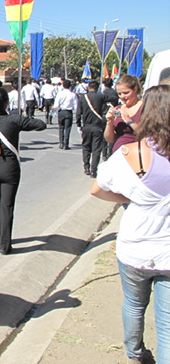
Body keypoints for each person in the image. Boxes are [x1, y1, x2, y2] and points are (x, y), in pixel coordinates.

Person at [90, 85, 170, 364]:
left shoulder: (128, 155)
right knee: (168, 323)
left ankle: (135, 353)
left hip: (133, 247)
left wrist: (132, 196)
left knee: (134, 305)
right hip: (167, 253)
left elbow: (97, 189)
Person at [0, 87, 46, 255]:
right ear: (7, 102)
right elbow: (41, 125)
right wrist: (23, 116)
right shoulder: (14, 120)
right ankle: (5, 245)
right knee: (7, 205)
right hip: (9, 167)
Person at [105, 74, 144, 155]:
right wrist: (110, 122)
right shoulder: (118, 108)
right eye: (119, 94)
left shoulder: (144, 107)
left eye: (126, 93)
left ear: (135, 89)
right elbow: (109, 139)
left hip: (137, 155)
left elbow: (146, 134)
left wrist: (129, 120)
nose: (122, 97)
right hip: (119, 155)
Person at [76, 80, 107, 178]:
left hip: (86, 126)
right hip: (97, 127)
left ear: (88, 87)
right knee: (96, 149)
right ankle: (94, 170)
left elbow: (78, 113)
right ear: (97, 88)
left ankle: (86, 167)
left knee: (86, 147)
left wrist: (78, 125)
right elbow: (105, 109)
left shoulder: (82, 98)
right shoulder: (101, 97)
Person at [53, 79, 77, 150]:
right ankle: (66, 144)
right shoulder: (73, 95)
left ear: (63, 86)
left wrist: (54, 108)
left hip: (61, 112)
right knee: (68, 128)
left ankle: (61, 143)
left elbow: (56, 105)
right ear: (70, 86)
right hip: (69, 112)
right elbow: (76, 106)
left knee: (61, 128)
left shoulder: (60, 93)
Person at [101, 77, 120, 160]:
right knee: (113, 134)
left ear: (105, 84)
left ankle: (104, 153)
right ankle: (110, 153)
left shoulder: (103, 93)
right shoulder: (115, 93)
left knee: (104, 136)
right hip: (114, 114)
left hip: (105, 114)